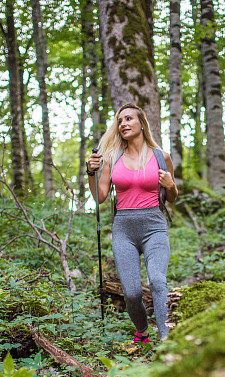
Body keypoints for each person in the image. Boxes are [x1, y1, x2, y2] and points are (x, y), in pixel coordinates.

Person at [86, 103, 178, 343]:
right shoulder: (112, 159)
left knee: (157, 281)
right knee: (132, 293)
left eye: (128, 119)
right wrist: (91, 173)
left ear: (141, 123)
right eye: (120, 121)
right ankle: (143, 331)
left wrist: (171, 185)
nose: (123, 124)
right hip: (124, 228)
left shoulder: (161, 157)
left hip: (154, 225)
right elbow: (100, 197)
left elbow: (172, 197)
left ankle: (166, 339)